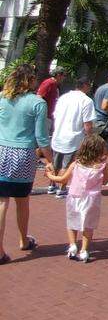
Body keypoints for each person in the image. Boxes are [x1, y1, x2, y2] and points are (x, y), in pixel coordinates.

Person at [0, 64, 51, 264]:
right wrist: (50, 160)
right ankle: (23, 239)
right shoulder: (37, 103)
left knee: (2, 201)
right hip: (22, 153)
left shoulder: (2, 97)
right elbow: (42, 137)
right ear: (29, 80)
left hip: (1, 149)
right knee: (22, 200)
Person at [43, 133, 108, 263]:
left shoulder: (76, 164)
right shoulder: (102, 166)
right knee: (88, 225)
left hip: (74, 196)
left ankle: (73, 246)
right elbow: (105, 181)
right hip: (92, 199)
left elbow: (62, 179)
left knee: (72, 221)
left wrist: (49, 175)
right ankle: (84, 250)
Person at [49, 79, 96, 197]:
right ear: (85, 86)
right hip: (74, 137)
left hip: (58, 134)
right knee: (67, 165)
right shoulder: (86, 100)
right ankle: (62, 189)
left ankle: (52, 185)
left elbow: (55, 115)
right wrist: (90, 138)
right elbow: (88, 123)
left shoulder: (63, 98)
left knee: (56, 163)